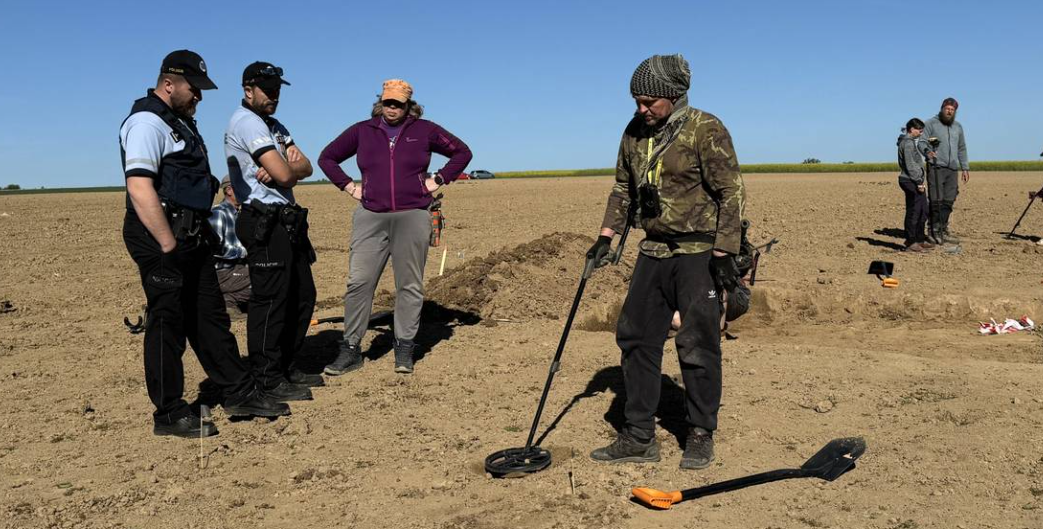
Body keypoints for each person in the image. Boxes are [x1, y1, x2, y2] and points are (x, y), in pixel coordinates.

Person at [587, 54, 745, 470]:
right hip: (654, 249)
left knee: (697, 342)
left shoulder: (705, 129)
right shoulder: (635, 132)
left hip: (698, 253)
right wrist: (605, 237)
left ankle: (699, 432)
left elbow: (731, 192)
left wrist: (725, 251)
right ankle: (639, 435)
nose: (641, 110)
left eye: (648, 102)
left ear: (674, 96)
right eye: (637, 102)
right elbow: (623, 187)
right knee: (635, 336)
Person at [120, 50, 289, 437]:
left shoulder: (179, 123)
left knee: (211, 316)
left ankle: (239, 392)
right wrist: (166, 244)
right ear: (169, 84)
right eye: (194, 89)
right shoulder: (147, 122)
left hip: (190, 235)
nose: (199, 96)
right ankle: (169, 412)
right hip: (161, 236)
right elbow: (140, 186)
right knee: (168, 323)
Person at [318, 79, 472, 375]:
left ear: (408, 105)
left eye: (398, 104)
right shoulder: (363, 130)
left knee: (409, 285)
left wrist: (437, 180)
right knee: (359, 282)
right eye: (388, 102)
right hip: (370, 216)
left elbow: (462, 152)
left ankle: (404, 347)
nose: (392, 108)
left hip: (413, 214)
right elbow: (327, 157)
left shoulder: (425, 130)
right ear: (381, 102)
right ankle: (350, 349)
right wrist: (349, 187)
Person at [225, 61, 322, 399]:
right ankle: (267, 375)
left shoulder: (274, 125)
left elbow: (305, 165)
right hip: (262, 218)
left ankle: (287, 365)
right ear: (248, 90)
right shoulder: (247, 123)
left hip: (287, 219)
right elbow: (283, 175)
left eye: (278, 90)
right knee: (271, 300)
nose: (274, 95)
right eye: (267, 89)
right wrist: (286, 168)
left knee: (302, 295)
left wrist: (289, 167)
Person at [923, 97, 969, 244]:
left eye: (952, 110)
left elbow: (961, 148)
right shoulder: (931, 123)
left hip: (952, 168)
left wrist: (965, 167)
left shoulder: (958, 127)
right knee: (936, 200)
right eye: (947, 108)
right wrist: (927, 152)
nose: (949, 111)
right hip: (936, 166)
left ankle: (943, 229)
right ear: (942, 108)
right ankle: (933, 230)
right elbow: (922, 141)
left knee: (949, 200)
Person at [209, 176, 251, 313]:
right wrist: (244, 251)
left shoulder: (240, 213)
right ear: (229, 190)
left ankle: (230, 299)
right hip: (223, 272)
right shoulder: (218, 213)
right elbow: (214, 248)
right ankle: (228, 301)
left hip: (237, 269)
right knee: (263, 276)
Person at [897, 118, 935, 252]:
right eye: (919, 130)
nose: (921, 133)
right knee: (914, 211)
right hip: (910, 180)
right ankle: (911, 242)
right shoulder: (907, 143)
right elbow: (910, 165)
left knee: (923, 210)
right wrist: (919, 181)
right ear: (912, 129)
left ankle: (919, 239)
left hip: (915, 180)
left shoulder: (910, 142)